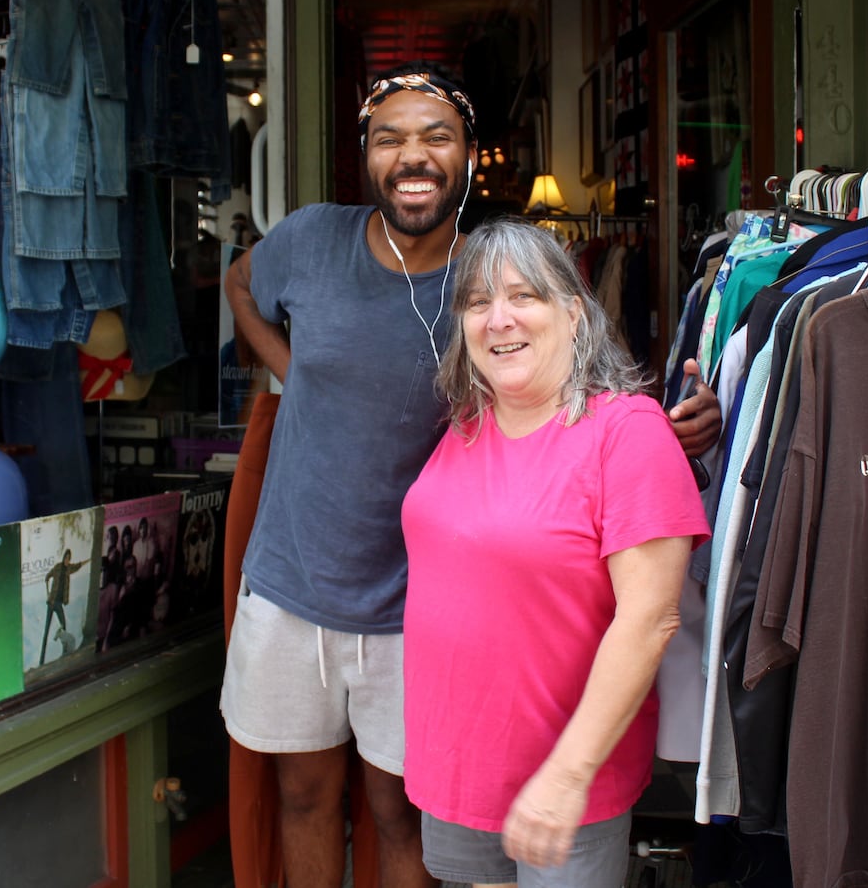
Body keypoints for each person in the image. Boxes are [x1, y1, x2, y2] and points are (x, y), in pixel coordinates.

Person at [219, 67, 720, 888]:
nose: (412, 156)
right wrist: (293, 369)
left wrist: (655, 427)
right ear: (367, 157)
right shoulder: (311, 239)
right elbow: (242, 283)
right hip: (293, 576)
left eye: (435, 137)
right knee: (302, 792)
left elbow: (560, 393)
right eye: (390, 139)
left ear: (468, 155)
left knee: (400, 808)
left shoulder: (487, 278)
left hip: (415, 598)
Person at [401, 218, 710, 887]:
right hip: (459, 766)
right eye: (477, 302)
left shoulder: (626, 432)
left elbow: (649, 619)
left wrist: (567, 776)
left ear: (573, 312)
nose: (498, 318)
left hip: (567, 777)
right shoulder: (464, 424)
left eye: (523, 295)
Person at [41, 547, 90, 664]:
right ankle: (41, 660)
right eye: (66, 558)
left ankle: (65, 652)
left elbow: (78, 566)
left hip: (58, 603)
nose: (67, 560)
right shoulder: (58, 567)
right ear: (63, 558)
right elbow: (47, 576)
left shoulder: (69, 569)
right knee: (46, 630)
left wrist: (90, 559)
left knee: (63, 625)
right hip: (51, 602)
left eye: (69, 558)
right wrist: (48, 592)